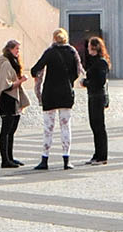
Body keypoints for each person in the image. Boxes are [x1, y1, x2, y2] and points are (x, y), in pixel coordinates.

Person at [28, 27, 82, 170]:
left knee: (48, 128)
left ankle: (45, 159)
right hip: (66, 94)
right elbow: (77, 72)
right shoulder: (72, 52)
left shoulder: (50, 52)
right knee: (66, 127)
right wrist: (68, 81)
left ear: (54, 39)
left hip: (50, 94)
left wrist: (38, 78)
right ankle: (66, 160)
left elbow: (35, 69)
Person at [0, 39, 29, 168]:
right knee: (6, 130)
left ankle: (10, 157)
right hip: (8, 99)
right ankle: (5, 160)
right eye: (16, 49)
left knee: (11, 130)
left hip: (13, 99)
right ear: (10, 49)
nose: (18, 52)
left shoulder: (12, 62)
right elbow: (5, 85)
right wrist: (20, 81)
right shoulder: (6, 64)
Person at [81, 36, 111, 164]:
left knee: (99, 126)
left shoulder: (101, 62)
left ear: (94, 47)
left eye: (89, 47)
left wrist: (86, 83)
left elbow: (100, 81)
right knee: (94, 125)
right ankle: (97, 154)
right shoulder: (94, 61)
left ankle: (102, 156)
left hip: (98, 96)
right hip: (92, 96)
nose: (88, 49)